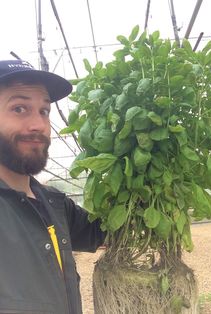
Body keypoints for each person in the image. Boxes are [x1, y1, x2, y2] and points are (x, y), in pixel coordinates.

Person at [0, 59, 105, 314]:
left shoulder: (55, 203)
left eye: (44, 111)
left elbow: (102, 231)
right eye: (19, 108)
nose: (38, 125)